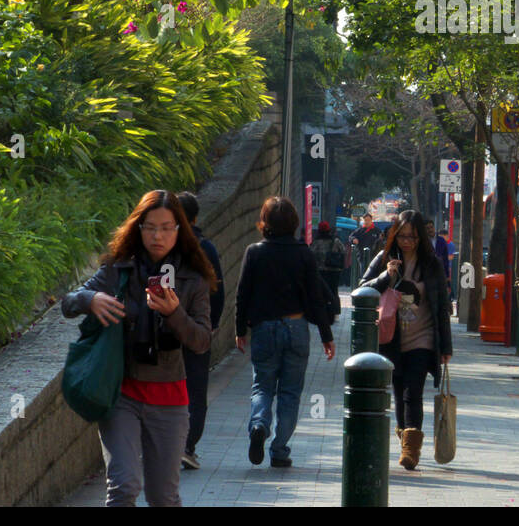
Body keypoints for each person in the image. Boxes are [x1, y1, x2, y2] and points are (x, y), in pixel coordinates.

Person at [61, 189, 216, 506]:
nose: (157, 235)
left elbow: (201, 341)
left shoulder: (192, 278)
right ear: (138, 228)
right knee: (124, 486)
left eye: (166, 227)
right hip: (123, 393)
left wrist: (174, 313)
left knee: (163, 497)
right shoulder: (119, 270)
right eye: (150, 227)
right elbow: (67, 303)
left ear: (178, 230)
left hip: (170, 397)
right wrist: (90, 299)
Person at [235, 196, 336, 469]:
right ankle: (279, 451)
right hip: (296, 326)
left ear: (264, 222)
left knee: (262, 386)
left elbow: (242, 294)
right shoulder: (303, 253)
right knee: (290, 392)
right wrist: (327, 335)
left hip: (264, 328)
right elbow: (315, 296)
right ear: (293, 222)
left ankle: (259, 425)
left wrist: (239, 329)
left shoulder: (254, 252)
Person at [359, 210, 452, 470]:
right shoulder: (384, 258)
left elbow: (441, 306)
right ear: (395, 235)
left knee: (414, 391)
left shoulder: (431, 264)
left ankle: (411, 449)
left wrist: (446, 346)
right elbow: (361, 288)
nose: (407, 241)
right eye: (402, 236)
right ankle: (405, 435)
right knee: (399, 392)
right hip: (391, 338)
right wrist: (385, 277)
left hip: (423, 338)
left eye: (412, 236)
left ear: (421, 237)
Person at [176, 192, 224, 471]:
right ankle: (187, 445)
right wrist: (213, 323)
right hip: (196, 328)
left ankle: (166, 444)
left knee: (166, 386)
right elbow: (217, 289)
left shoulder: (162, 247)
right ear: (195, 217)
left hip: (166, 327)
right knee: (195, 389)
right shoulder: (206, 248)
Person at [310, 221, 345, 321]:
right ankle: (336, 313)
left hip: (320, 271)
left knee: (320, 291)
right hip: (334, 270)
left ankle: (322, 312)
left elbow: (311, 255)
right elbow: (343, 251)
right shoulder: (335, 241)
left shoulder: (315, 242)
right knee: (334, 291)